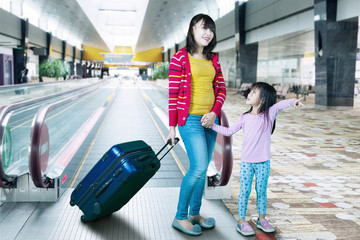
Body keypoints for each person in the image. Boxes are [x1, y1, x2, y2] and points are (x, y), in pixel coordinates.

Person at [209, 82, 304, 236]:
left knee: (261, 191)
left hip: (263, 162)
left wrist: (293, 102)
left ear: (264, 99)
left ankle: (261, 219)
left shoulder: (269, 114)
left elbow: (281, 105)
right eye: (250, 91)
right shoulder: (244, 117)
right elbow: (228, 131)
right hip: (247, 162)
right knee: (244, 192)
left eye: (254, 92)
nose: (249, 94)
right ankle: (241, 221)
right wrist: (211, 126)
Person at [167, 13, 226, 236]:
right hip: (190, 120)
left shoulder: (214, 58)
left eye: (210, 29)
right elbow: (173, 95)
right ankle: (180, 216)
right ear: (192, 29)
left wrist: (213, 113)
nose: (207, 33)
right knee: (198, 167)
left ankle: (194, 213)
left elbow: (221, 89)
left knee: (202, 170)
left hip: (211, 121)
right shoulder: (180, 58)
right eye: (203, 28)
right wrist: (172, 128)